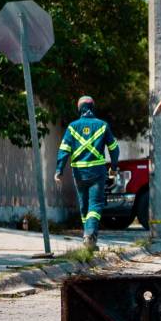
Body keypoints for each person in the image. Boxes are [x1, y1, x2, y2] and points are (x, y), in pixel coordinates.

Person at [55, 96, 120, 250]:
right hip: (97, 172)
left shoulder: (72, 127)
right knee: (95, 204)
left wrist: (59, 170)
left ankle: (87, 239)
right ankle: (90, 234)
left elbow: (64, 150)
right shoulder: (103, 126)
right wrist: (114, 167)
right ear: (93, 107)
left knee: (84, 206)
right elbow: (114, 149)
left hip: (79, 173)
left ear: (79, 108)